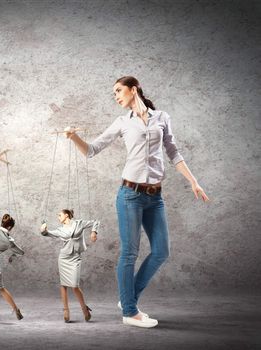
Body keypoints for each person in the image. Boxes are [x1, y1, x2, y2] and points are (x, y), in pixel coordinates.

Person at [65, 76, 209, 328]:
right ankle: (130, 312)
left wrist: (194, 181)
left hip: (155, 197)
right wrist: (72, 137)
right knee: (129, 253)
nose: (116, 96)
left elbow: (173, 152)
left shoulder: (162, 117)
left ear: (134, 90)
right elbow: (91, 150)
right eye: (114, 94)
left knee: (161, 251)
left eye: (119, 91)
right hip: (129, 195)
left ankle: (127, 299)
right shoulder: (122, 122)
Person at [40, 209, 100, 323]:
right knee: (63, 285)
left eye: (59, 215)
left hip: (75, 258)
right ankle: (66, 310)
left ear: (66, 215)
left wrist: (94, 232)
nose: (58, 217)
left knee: (75, 285)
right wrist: (43, 229)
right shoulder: (60, 230)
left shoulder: (79, 224)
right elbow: (46, 233)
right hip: (63, 258)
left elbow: (96, 221)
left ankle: (84, 309)